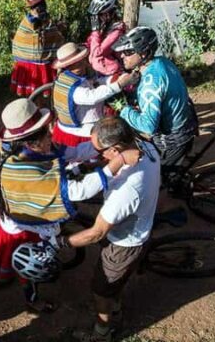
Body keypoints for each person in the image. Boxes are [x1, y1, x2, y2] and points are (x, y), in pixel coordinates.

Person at [0, 98, 136, 313]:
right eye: (47, 133)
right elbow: (77, 191)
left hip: (18, 219)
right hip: (24, 230)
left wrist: (100, 144)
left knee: (7, 261)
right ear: (34, 142)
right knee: (28, 269)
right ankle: (32, 301)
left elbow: (74, 153)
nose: (51, 135)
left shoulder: (34, 150)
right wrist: (118, 162)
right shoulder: (24, 168)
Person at [55, 117, 160, 342]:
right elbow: (109, 163)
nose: (96, 154)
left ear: (116, 148)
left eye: (99, 150)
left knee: (101, 290)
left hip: (123, 242)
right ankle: (115, 303)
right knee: (113, 285)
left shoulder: (127, 189)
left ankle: (103, 332)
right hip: (140, 221)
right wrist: (91, 166)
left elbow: (97, 233)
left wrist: (61, 243)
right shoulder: (144, 144)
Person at [112, 27, 198, 167]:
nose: (122, 56)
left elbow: (148, 126)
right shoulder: (161, 62)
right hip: (186, 125)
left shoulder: (151, 82)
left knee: (160, 181)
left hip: (173, 140)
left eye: (128, 52)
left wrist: (123, 108)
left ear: (144, 53)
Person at [50, 42, 138, 147]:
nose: (77, 66)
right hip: (81, 132)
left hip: (80, 126)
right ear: (66, 66)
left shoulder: (73, 76)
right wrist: (119, 84)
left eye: (79, 61)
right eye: (72, 64)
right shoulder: (73, 87)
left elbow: (95, 83)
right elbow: (92, 97)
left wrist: (113, 79)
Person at [10, 0, 65, 97]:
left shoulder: (31, 20)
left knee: (33, 91)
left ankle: (34, 106)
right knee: (38, 89)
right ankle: (39, 107)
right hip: (37, 64)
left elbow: (48, 33)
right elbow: (49, 34)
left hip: (27, 61)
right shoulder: (32, 21)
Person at [86, 0, 128, 78]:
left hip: (111, 72)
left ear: (109, 13)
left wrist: (95, 31)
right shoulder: (105, 27)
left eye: (99, 15)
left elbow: (98, 52)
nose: (96, 19)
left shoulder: (117, 31)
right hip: (100, 71)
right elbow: (90, 43)